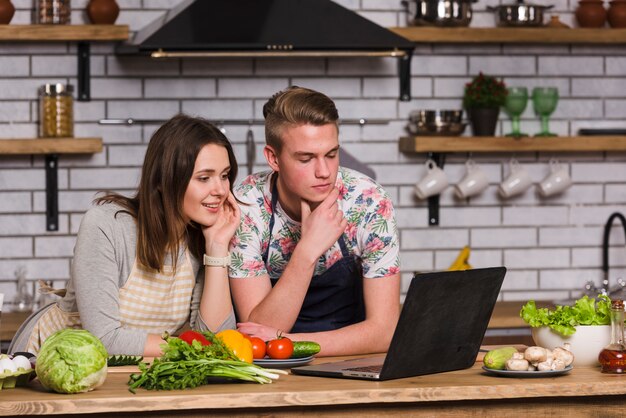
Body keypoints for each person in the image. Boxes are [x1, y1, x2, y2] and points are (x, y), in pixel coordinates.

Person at [10, 114, 241, 356]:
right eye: (204, 178)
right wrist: (188, 346)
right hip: (48, 361)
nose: (221, 190)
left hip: (121, 373)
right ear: (163, 180)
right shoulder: (107, 226)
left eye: (224, 175)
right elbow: (104, 339)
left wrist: (217, 247)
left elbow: (216, 342)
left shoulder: (199, 238)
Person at [229, 86, 401, 356]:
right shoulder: (246, 207)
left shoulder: (368, 201)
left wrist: (291, 341)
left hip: (350, 359)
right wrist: (306, 251)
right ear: (273, 158)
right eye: (306, 159)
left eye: (331, 155)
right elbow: (258, 333)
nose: (324, 172)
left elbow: (385, 332)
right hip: (273, 365)